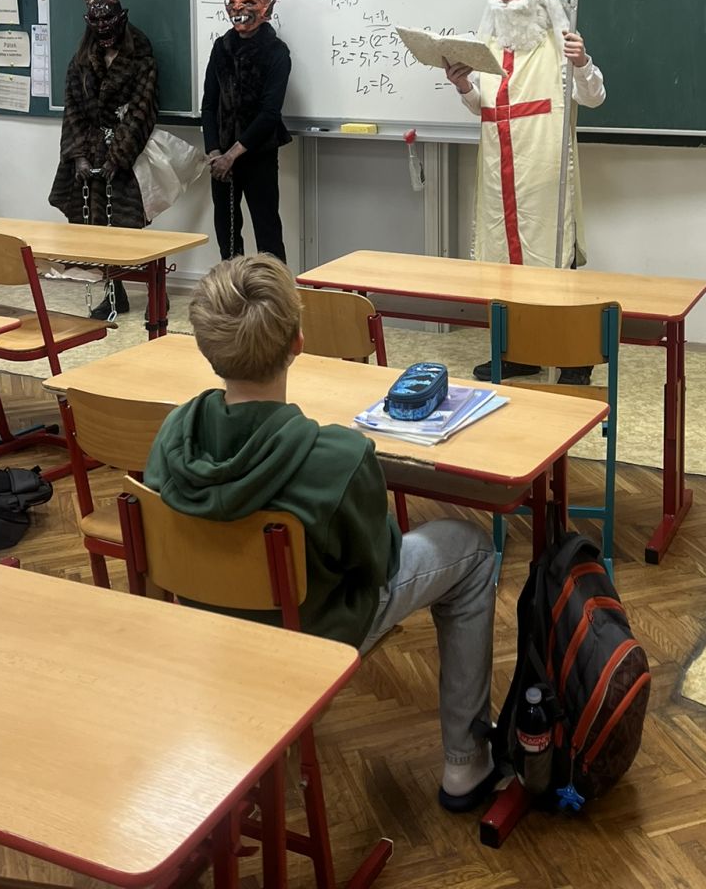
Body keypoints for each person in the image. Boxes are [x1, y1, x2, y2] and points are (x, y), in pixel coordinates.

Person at [145, 254, 499, 812]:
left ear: (206, 348)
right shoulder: (337, 457)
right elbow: (379, 566)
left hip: (206, 624)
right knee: (472, 547)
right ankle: (466, 761)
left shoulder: (172, 434)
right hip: (307, 632)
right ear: (298, 343)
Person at [443, 0, 605, 382]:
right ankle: (520, 352)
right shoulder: (489, 40)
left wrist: (582, 63)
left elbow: (593, 97)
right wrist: (464, 84)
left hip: (542, 170)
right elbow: (483, 106)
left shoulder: (561, 38)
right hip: (499, 170)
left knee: (551, 257)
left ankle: (573, 357)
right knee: (504, 263)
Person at [48, 0, 158, 319]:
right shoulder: (81, 62)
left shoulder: (141, 60)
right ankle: (114, 293)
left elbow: (141, 111)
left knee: (131, 226)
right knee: (96, 227)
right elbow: (72, 110)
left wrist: (119, 156)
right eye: (95, 23)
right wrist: (79, 155)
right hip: (90, 151)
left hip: (129, 152)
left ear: (121, 19)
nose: (103, 29)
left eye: (108, 22)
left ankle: (157, 292)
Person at [202, 0, 292, 263]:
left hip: (257, 155)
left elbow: (269, 113)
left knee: (267, 232)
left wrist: (233, 155)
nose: (238, 9)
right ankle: (231, 287)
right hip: (220, 158)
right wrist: (215, 153)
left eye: (249, 3)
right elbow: (209, 105)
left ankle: (273, 288)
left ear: (267, 8)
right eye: (233, 3)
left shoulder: (276, 51)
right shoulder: (221, 47)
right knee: (227, 234)